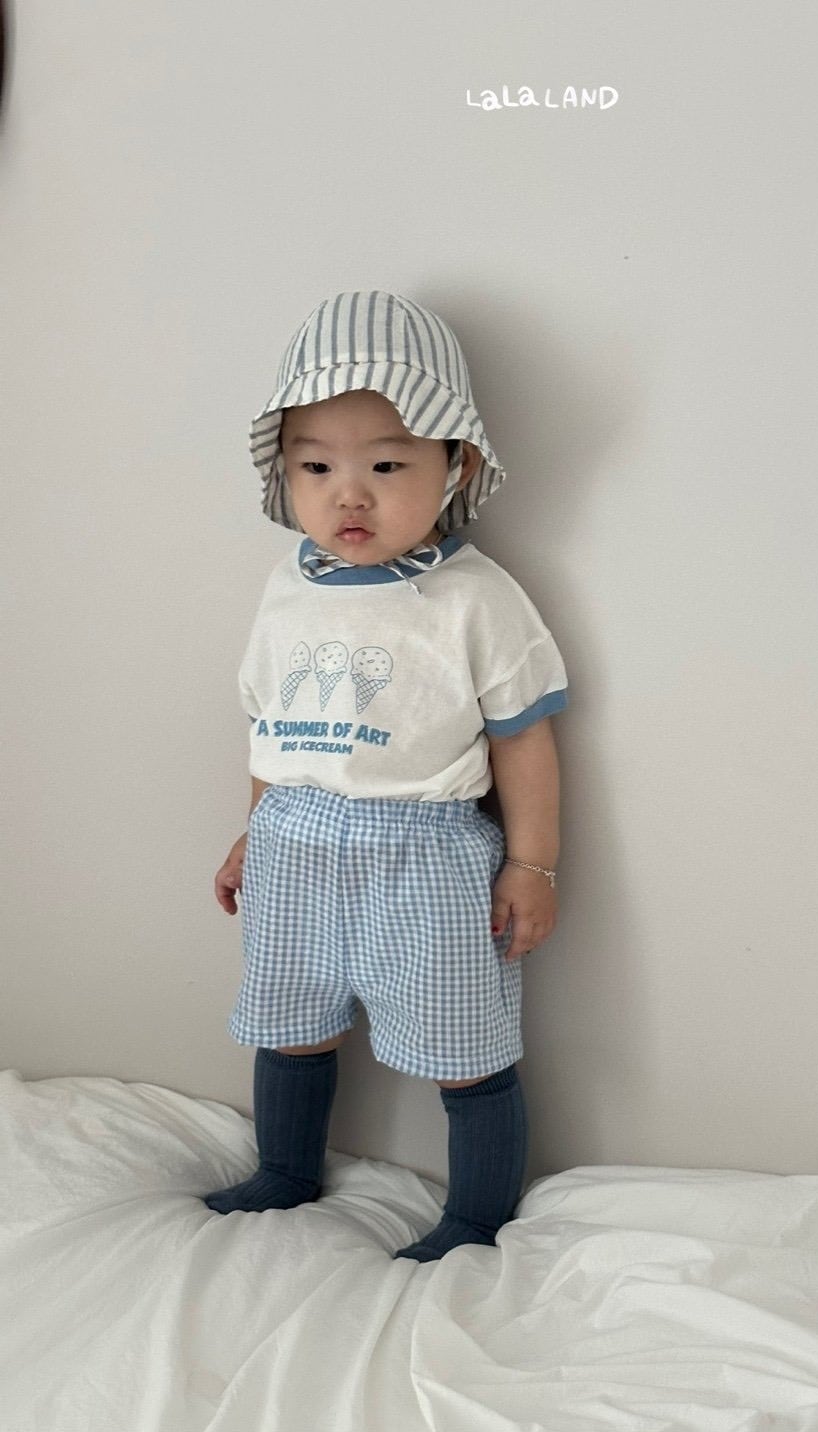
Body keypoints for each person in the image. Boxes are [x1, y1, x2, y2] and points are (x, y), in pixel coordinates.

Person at [202, 290, 568, 1263]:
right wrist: (253, 830)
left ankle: (476, 1216)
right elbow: (273, 731)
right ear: (285, 471)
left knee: (467, 1047)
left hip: (426, 855)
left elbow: (525, 740)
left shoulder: (474, 598)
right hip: (295, 839)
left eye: (388, 465)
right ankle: (286, 1170)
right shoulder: (288, 588)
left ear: (457, 465)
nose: (349, 496)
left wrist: (532, 865)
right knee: (290, 1022)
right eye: (316, 466)